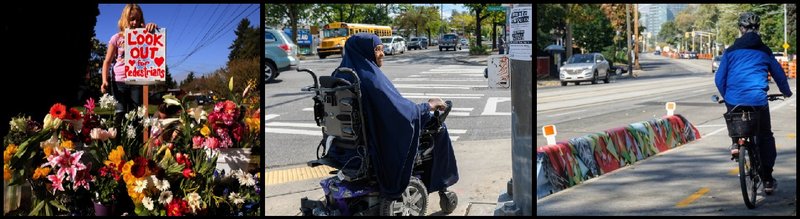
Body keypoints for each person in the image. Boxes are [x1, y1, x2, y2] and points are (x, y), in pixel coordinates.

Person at [331, 33, 459, 199]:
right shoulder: (369, 77)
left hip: (348, 143)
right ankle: (441, 182)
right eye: (377, 49)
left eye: (382, 49)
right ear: (364, 52)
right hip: (375, 140)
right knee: (437, 127)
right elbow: (399, 112)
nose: (382, 53)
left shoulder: (339, 74)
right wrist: (428, 106)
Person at [714, 12, 792, 194]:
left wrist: (727, 94)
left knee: (734, 116)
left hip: (733, 100)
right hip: (758, 101)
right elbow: (779, 75)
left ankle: (735, 143)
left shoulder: (730, 51)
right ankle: (767, 180)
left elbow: (719, 78)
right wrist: (787, 92)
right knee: (765, 135)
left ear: (741, 29)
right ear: (758, 29)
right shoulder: (764, 51)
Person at [101, 4, 158, 126]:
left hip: (136, 80)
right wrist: (104, 80)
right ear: (125, 19)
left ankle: (134, 143)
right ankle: (117, 142)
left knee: (136, 112)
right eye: (132, 19)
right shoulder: (117, 38)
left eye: (138, 19)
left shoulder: (144, 35)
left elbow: (154, 43)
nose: (135, 22)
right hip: (119, 81)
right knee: (120, 112)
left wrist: (151, 28)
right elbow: (107, 61)